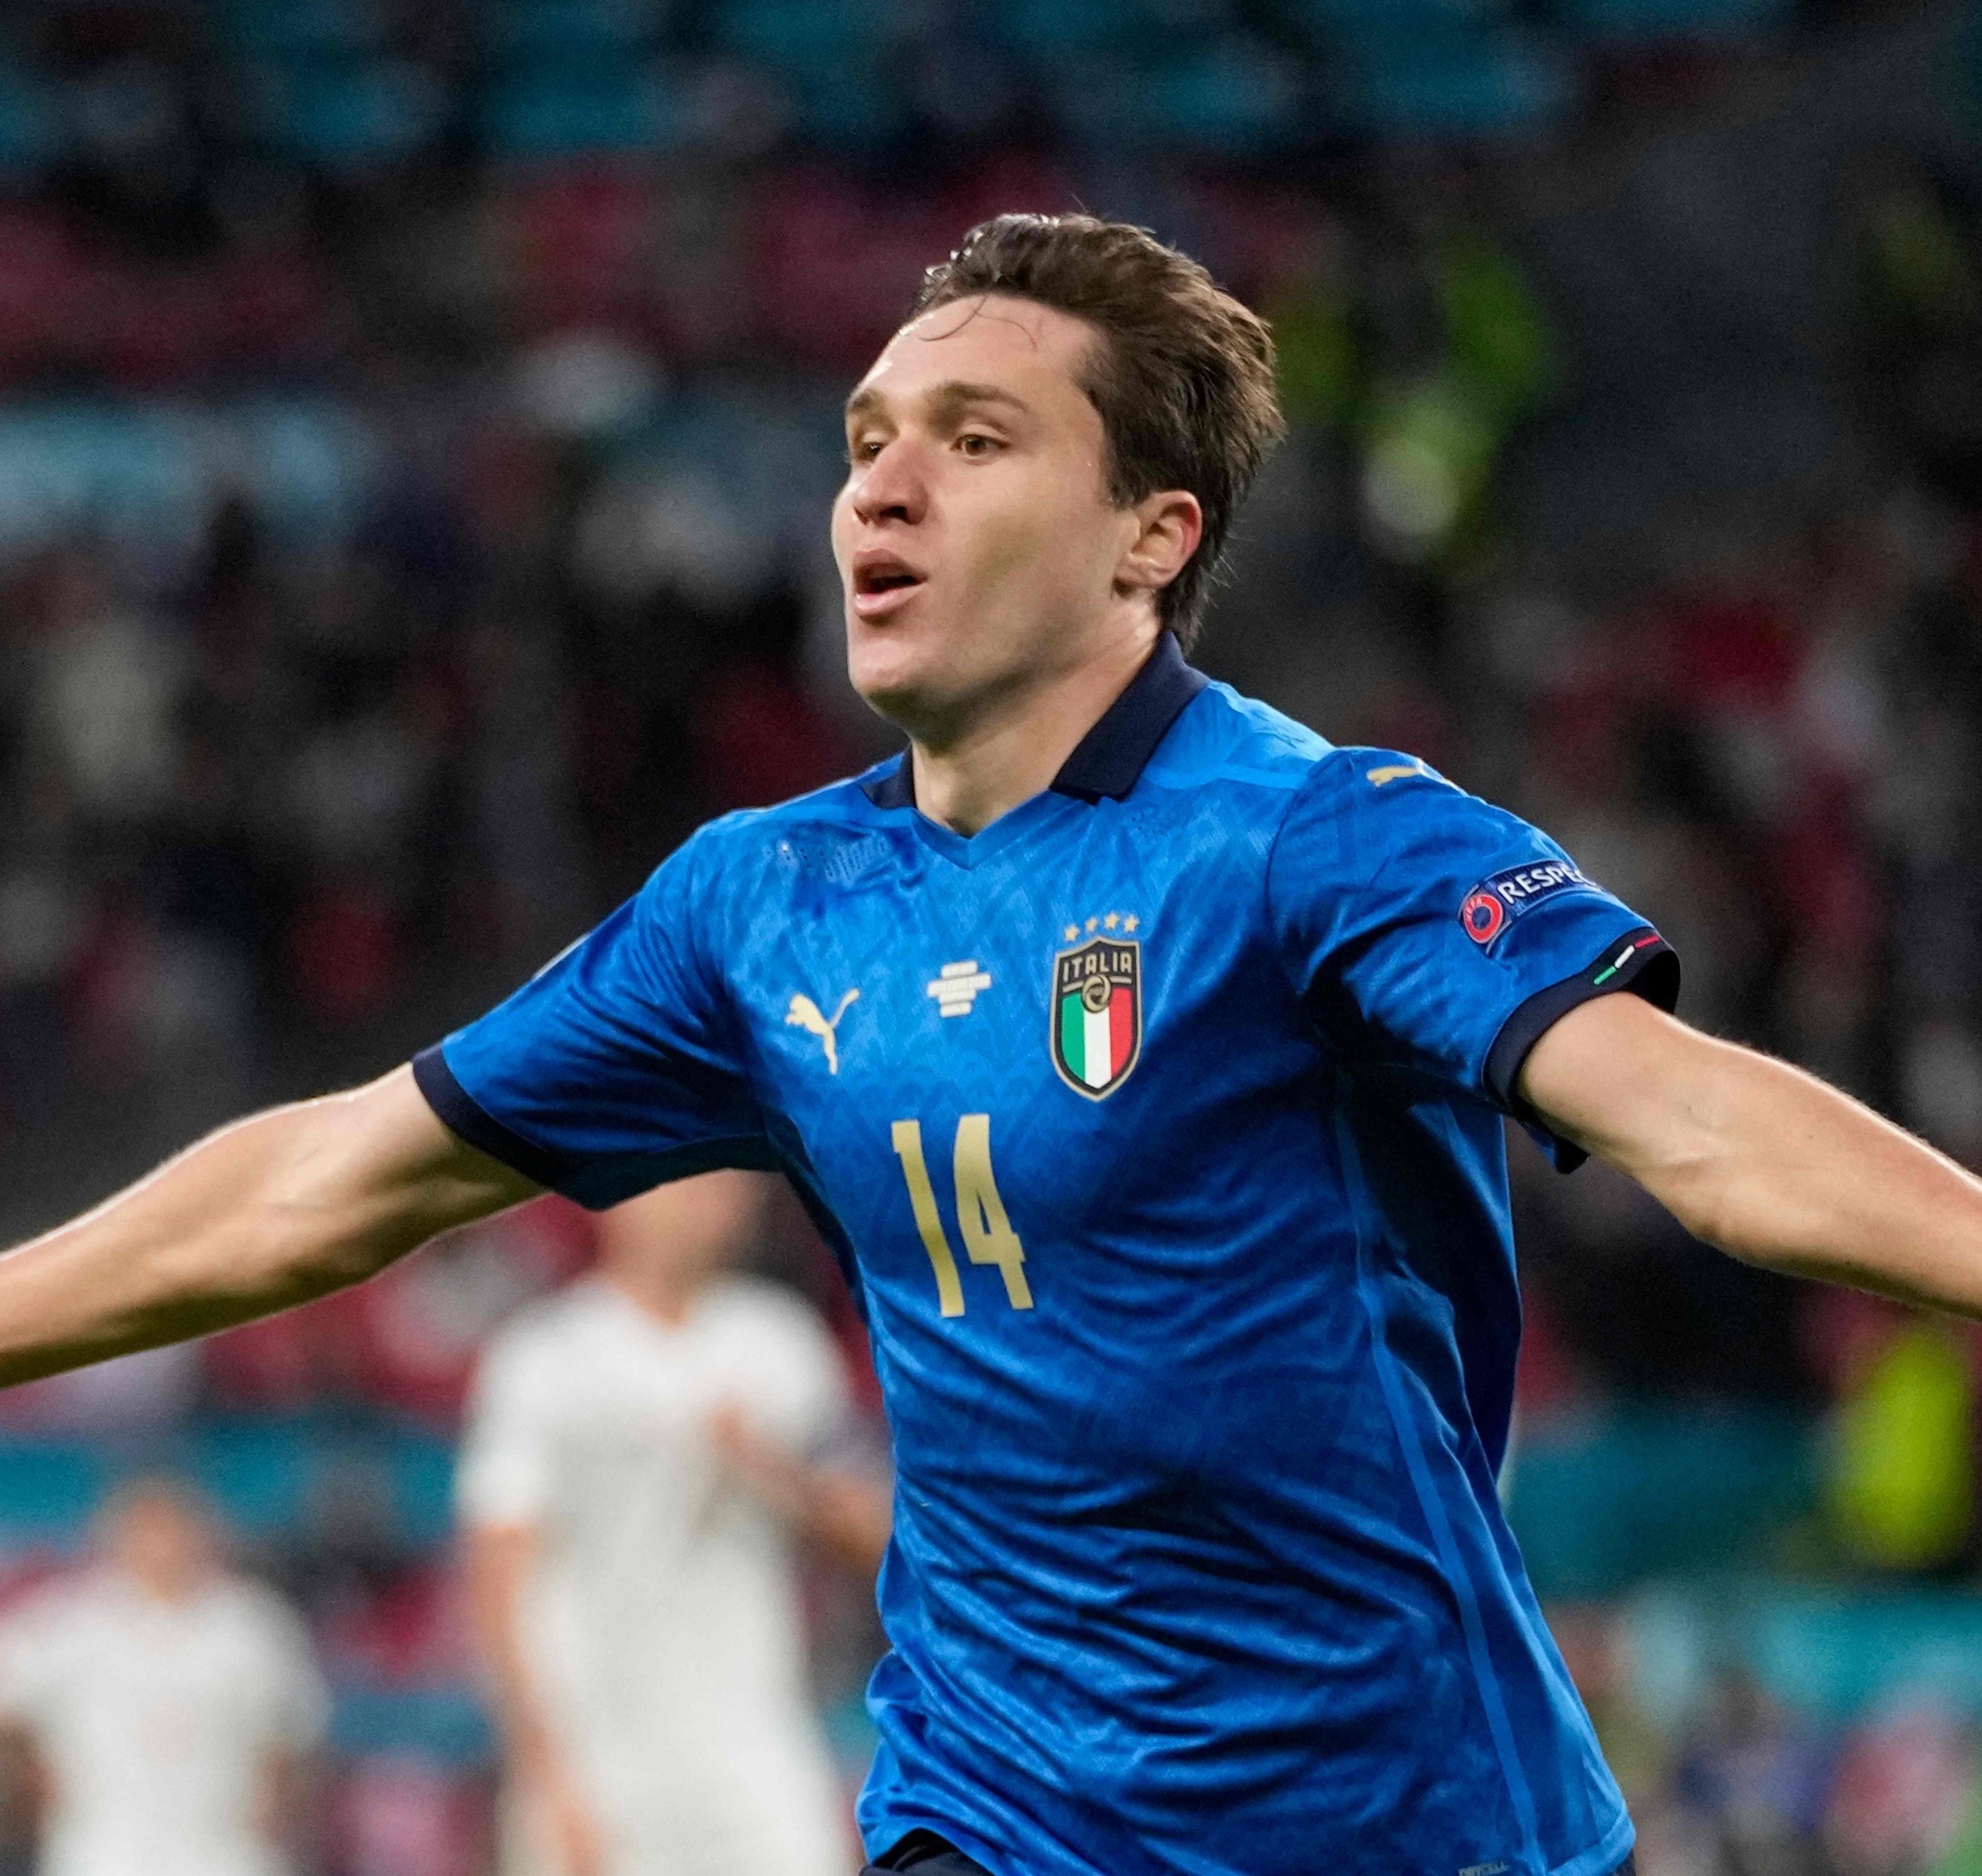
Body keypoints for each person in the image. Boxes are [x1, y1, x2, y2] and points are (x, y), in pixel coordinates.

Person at [0, 214, 1981, 1876]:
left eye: (975, 435)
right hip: (994, 1807)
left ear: (1148, 534)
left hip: (1401, 1815)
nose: (880, 480)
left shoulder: (1312, 838)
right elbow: (332, 1179)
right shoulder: (755, 906)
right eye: (867, 436)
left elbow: (1703, 1128)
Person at [458, 1169, 887, 1876]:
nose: (710, 1201)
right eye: (686, 1180)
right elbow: (498, 1582)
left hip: (754, 1756)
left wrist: (775, 1475)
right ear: (617, 1193)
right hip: (599, 1765)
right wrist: (545, 1776)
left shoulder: (778, 1345)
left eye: (729, 1184)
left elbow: (878, 1538)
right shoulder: (543, 1359)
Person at [0, 1476, 327, 1876]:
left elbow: (295, 1728)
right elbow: (11, 1700)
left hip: (223, 1845)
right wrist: (28, 1778)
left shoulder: (252, 1625)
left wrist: (277, 1797)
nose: (161, 1547)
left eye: (172, 1531)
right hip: (102, 1845)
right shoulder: (67, 1622)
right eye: (146, 1532)